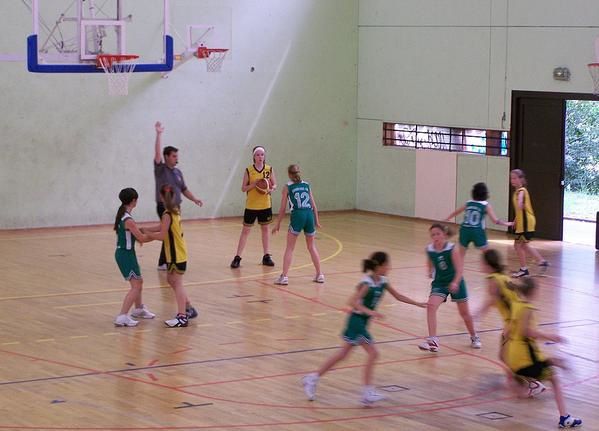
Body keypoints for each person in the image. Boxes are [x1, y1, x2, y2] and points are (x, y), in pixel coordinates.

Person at [301, 252, 426, 404]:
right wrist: (370, 312)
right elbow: (352, 301)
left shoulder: (383, 282)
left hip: (362, 321)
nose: (389, 267)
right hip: (357, 321)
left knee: (342, 355)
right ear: (379, 266)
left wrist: (418, 304)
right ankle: (367, 393)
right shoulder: (367, 283)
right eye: (387, 264)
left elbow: (399, 296)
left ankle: (312, 378)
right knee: (373, 353)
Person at [505, 278, 582, 428]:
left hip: (513, 356)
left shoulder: (515, 304)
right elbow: (526, 332)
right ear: (533, 292)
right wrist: (551, 336)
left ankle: (531, 385)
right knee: (554, 377)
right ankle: (564, 417)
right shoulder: (527, 309)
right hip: (525, 358)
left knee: (553, 363)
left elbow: (508, 331)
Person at [474, 249, 546, 397]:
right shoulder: (503, 277)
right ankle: (527, 380)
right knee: (505, 355)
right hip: (519, 317)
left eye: (481, 262)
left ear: (487, 263)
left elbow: (492, 300)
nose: (480, 264)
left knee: (508, 356)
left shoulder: (493, 279)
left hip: (514, 320)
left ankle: (534, 382)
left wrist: (478, 314)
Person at [418, 224, 481, 352]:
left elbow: (459, 270)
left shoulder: (452, 249)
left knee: (464, 313)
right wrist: (429, 271)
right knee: (431, 306)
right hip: (440, 283)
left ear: (444, 235)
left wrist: (455, 283)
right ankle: (433, 340)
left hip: (455, 281)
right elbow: (430, 263)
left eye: (438, 234)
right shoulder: (429, 249)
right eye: (433, 235)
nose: (435, 237)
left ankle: (474, 336)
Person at [146, 184, 198, 327]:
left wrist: (145, 235)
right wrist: (144, 229)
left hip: (177, 253)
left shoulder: (168, 214)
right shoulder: (174, 211)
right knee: (170, 279)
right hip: (175, 252)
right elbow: (162, 227)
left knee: (177, 282)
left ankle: (182, 317)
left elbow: (162, 235)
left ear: (161, 197)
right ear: (175, 196)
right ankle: (188, 308)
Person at [153, 121, 203, 270]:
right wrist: (158, 134)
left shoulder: (178, 172)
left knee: (170, 232)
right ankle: (164, 262)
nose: (176, 158)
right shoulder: (160, 169)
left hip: (177, 206)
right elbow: (157, 153)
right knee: (168, 231)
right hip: (164, 205)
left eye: (176, 156)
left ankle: (164, 261)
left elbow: (184, 189)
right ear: (166, 156)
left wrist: (194, 199)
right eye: (173, 156)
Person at [272, 164, 323, 285]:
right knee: (311, 246)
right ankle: (319, 274)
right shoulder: (306, 185)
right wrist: (316, 221)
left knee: (290, 248)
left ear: (289, 174)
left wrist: (278, 224)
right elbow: (314, 205)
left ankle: (284, 277)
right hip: (309, 215)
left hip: (298, 215)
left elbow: (283, 208)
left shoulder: (287, 187)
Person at [113, 188, 156, 327]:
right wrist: (160, 237)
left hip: (126, 253)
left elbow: (135, 235)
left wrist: (147, 232)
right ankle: (122, 316)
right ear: (133, 200)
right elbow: (141, 237)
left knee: (139, 282)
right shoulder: (128, 219)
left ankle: (138, 309)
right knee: (136, 286)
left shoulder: (123, 215)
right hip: (125, 255)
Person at [230, 146, 277, 268]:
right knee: (245, 231)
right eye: (258, 155)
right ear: (254, 157)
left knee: (265, 230)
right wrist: (254, 184)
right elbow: (243, 188)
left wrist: (271, 188)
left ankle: (266, 256)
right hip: (251, 205)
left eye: (262, 154)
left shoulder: (269, 169)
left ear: (264, 156)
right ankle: (237, 257)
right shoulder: (249, 170)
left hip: (265, 205)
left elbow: (274, 184)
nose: (260, 157)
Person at [445, 182, 512, 258]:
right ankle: (491, 268)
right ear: (485, 193)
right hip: (477, 231)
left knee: (460, 255)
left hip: (464, 230)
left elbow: (457, 211)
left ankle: (457, 269)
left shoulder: (468, 203)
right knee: (487, 254)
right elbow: (495, 221)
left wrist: (448, 218)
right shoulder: (485, 205)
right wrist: (507, 224)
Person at [509, 169, 549, 278]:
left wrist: (520, 203)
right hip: (523, 222)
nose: (512, 180)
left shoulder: (521, 191)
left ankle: (523, 270)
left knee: (518, 246)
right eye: (511, 178)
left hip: (526, 223)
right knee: (524, 245)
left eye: (514, 178)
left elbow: (521, 202)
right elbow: (519, 210)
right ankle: (541, 261)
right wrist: (515, 220)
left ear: (521, 179)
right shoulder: (517, 191)